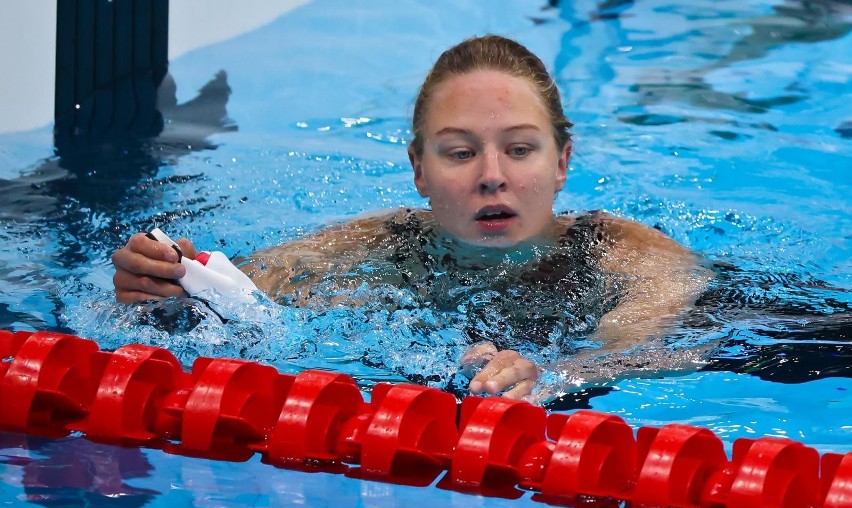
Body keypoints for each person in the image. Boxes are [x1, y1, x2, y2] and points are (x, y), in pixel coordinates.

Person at [112, 35, 712, 402]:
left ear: (563, 163)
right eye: (459, 152)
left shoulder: (628, 252)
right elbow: (240, 293)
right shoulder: (379, 242)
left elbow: (642, 345)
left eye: (521, 149)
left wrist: (555, 378)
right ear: (419, 170)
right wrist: (167, 286)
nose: (491, 174)